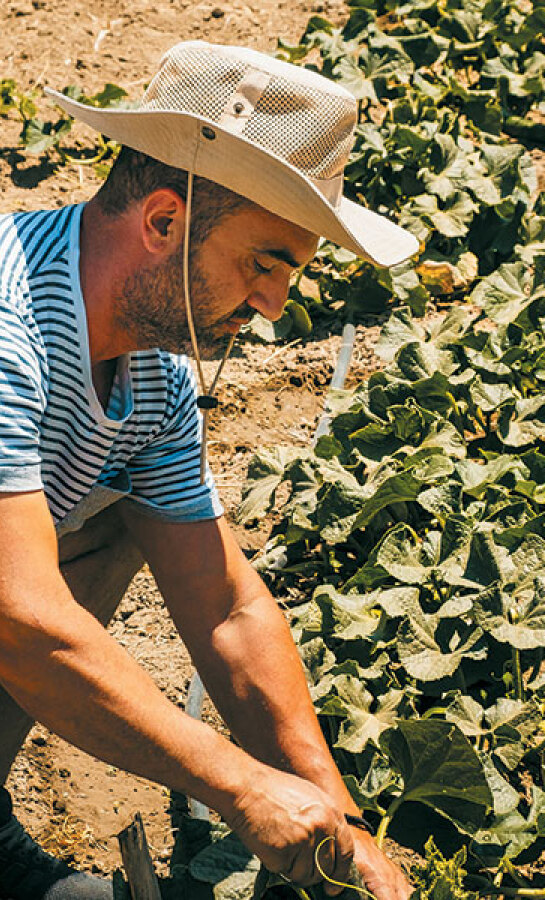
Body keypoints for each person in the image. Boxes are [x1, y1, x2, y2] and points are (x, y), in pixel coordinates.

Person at [0, 41, 418, 900]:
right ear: (162, 222)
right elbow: (19, 618)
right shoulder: (7, 327)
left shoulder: (151, 375)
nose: (274, 302)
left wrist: (341, 831)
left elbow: (225, 605)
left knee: (115, 517)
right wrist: (240, 785)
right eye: (265, 262)